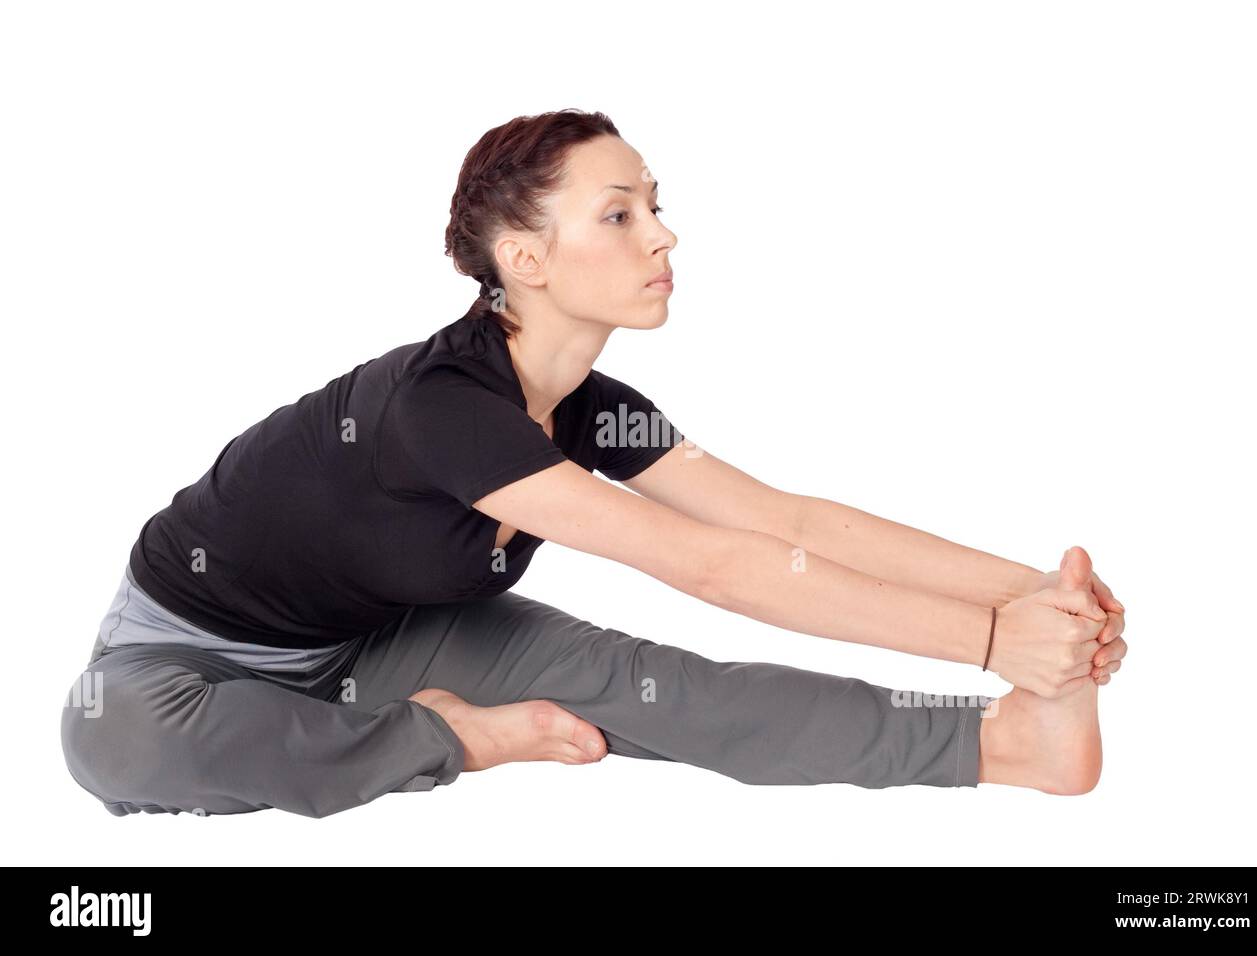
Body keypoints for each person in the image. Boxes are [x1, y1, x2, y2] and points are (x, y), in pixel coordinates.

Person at [60, 109, 1128, 819]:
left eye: (656, 204)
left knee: (648, 683)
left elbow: (784, 525)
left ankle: (1004, 744)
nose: (664, 237)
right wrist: (993, 639)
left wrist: (1029, 596)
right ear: (523, 260)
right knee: (109, 744)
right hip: (184, 664)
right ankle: (449, 740)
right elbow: (709, 566)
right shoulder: (445, 408)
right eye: (620, 215)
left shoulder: (588, 412)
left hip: (369, 639)